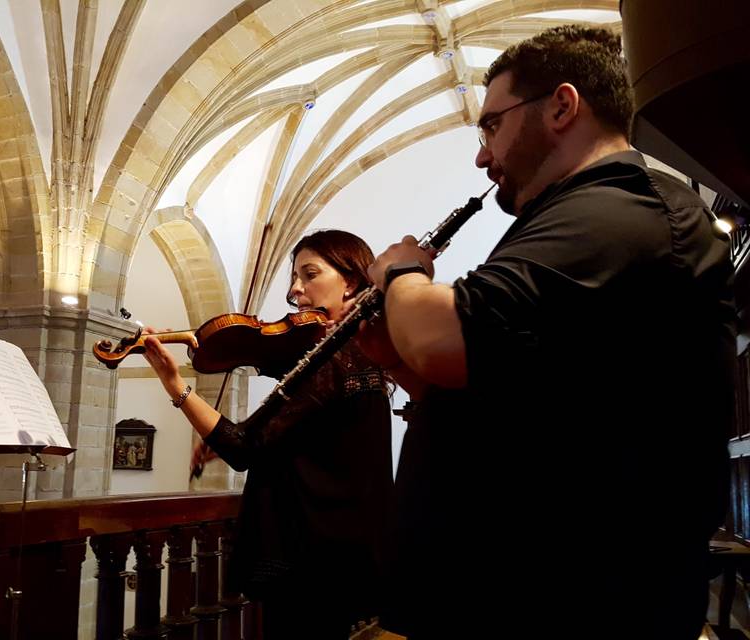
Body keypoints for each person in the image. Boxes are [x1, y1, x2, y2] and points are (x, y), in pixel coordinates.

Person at [363, 25, 736, 639]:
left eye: (490, 126)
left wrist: (403, 270)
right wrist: (400, 365)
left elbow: (439, 337)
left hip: (578, 606)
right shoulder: (576, 214)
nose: (483, 156)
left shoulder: (621, 210)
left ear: (562, 106)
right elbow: (521, 397)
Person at [142, 229, 394, 638]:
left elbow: (243, 446)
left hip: (312, 557)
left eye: (310, 274)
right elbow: (304, 437)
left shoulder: (338, 358)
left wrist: (175, 385)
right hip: (343, 554)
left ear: (350, 281)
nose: (296, 290)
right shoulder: (360, 353)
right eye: (294, 277)